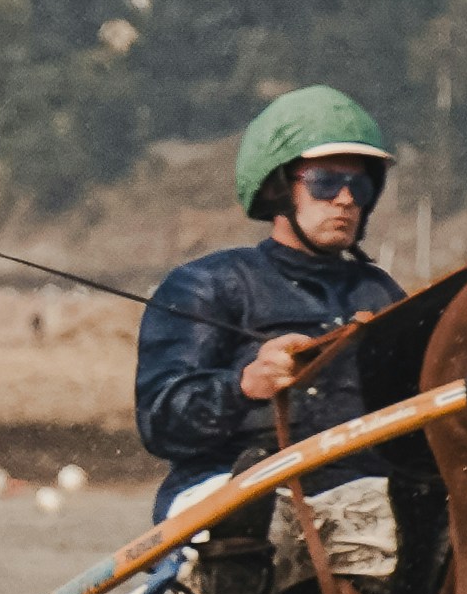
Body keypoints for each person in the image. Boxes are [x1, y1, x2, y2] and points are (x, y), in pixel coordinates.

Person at [133, 86, 406, 521]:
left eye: (360, 185)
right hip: (229, 495)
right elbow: (160, 425)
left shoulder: (383, 295)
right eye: (325, 182)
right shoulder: (206, 285)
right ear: (279, 189)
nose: (346, 199)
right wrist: (244, 387)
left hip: (366, 498)